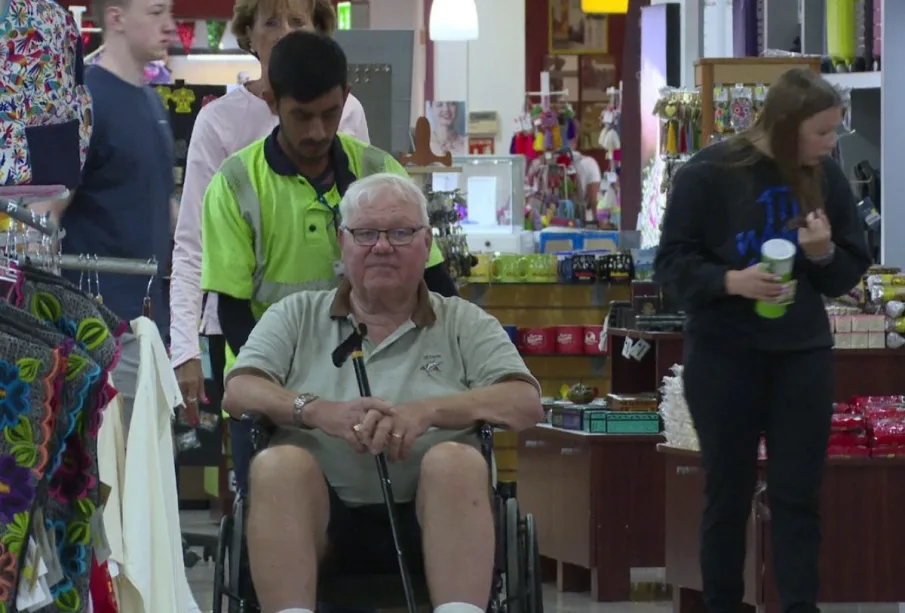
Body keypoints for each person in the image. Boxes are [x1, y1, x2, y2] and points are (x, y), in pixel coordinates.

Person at [222, 172, 544, 613]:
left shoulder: (464, 322)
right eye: (366, 233)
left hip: (438, 520)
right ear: (342, 241)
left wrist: (428, 412)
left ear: (427, 241)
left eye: (400, 232)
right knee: (279, 463)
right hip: (317, 523)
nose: (382, 246)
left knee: (456, 459)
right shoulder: (295, 315)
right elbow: (239, 390)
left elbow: (525, 403)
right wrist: (316, 411)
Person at [201, 30, 457, 497]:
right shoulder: (235, 184)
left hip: (380, 391)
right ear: (271, 100)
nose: (318, 131)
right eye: (302, 116)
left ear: (347, 98)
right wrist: (295, 397)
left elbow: (435, 282)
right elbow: (232, 312)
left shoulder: (381, 171)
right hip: (272, 395)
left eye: (330, 114)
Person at [654, 68, 871, 613]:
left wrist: (821, 253)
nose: (830, 144)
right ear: (786, 126)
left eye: (834, 132)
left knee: (797, 495)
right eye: (822, 132)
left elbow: (845, 270)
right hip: (725, 354)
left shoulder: (826, 177)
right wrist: (732, 281)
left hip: (801, 355)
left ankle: (800, 607)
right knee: (727, 493)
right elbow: (672, 267)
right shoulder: (708, 173)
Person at [170, 0, 368, 427]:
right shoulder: (218, 121)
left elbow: (364, 215)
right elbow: (191, 243)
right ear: (249, 33)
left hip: (340, 329)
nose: (285, 33)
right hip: (240, 330)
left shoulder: (349, 113)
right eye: (271, 22)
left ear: (318, 30)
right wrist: (184, 348)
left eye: (298, 21)